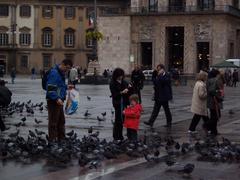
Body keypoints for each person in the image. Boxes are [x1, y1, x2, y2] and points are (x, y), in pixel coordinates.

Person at [46, 59, 73, 141]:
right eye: (67, 68)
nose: (67, 70)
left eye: (69, 69)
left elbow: (59, 86)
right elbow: (50, 88)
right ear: (62, 64)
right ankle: (52, 140)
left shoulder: (60, 73)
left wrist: (66, 87)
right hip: (53, 100)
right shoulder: (54, 73)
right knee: (53, 122)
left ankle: (61, 138)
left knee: (61, 121)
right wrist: (56, 98)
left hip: (59, 100)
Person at [109, 68, 132, 141]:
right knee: (118, 119)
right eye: (120, 76)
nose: (121, 77)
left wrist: (130, 88)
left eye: (122, 75)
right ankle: (116, 136)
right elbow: (114, 94)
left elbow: (129, 90)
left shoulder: (124, 82)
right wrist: (122, 92)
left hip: (124, 102)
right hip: (117, 103)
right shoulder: (112, 83)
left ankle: (120, 135)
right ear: (116, 75)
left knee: (122, 120)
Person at [207, 69, 222, 136]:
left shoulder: (209, 80)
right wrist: (218, 93)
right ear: (216, 74)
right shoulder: (215, 80)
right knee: (216, 116)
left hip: (211, 100)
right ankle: (206, 125)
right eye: (218, 74)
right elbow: (212, 90)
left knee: (214, 116)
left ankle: (214, 131)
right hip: (214, 101)